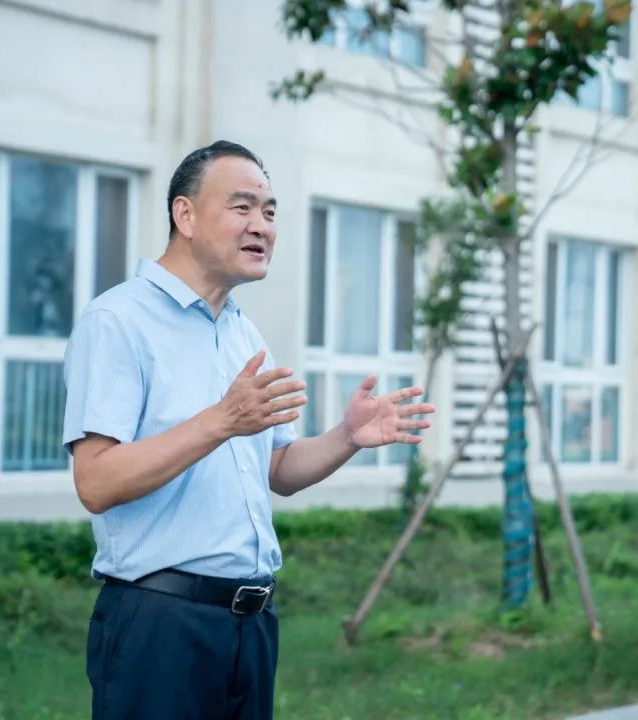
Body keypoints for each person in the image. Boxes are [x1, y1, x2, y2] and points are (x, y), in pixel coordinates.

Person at [62, 140, 435, 720]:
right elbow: (96, 481)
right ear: (184, 215)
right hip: (159, 626)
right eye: (242, 207)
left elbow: (277, 472)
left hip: (250, 626)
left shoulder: (242, 333)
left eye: (269, 211)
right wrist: (219, 421)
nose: (261, 225)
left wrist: (346, 436)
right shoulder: (118, 321)